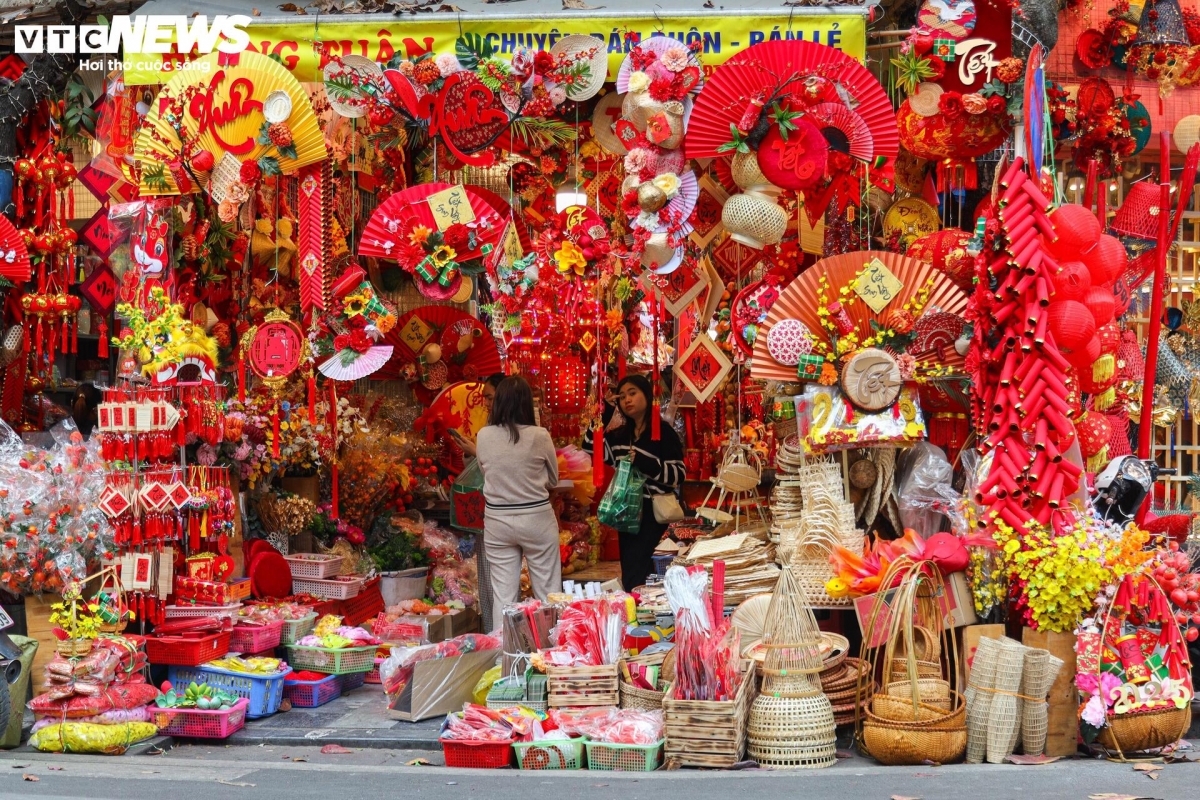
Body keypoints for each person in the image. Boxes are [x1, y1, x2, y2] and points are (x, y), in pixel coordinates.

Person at [583, 373, 685, 592]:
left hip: (654, 516)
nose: (627, 400)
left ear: (647, 396)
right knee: (631, 574)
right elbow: (590, 447)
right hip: (627, 515)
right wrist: (606, 413)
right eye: (622, 397)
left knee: (653, 575)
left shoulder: (663, 433)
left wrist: (646, 462)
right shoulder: (619, 436)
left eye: (632, 393)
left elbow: (678, 475)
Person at [475, 375, 562, 631]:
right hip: (536, 518)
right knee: (548, 593)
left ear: (499, 402)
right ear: (527, 404)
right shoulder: (540, 435)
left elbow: (484, 471)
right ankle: (552, 650)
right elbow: (554, 478)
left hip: (497, 521)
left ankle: (504, 654)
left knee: (503, 595)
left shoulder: (484, 436)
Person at [447, 373, 504, 631]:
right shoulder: (489, 431)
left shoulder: (503, 434)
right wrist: (471, 453)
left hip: (501, 516)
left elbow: (500, 470)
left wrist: (476, 452)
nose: (487, 405)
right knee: (489, 581)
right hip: (490, 516)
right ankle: (495, 635)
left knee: (499, 584)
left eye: (490, 398)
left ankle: (502, 637)